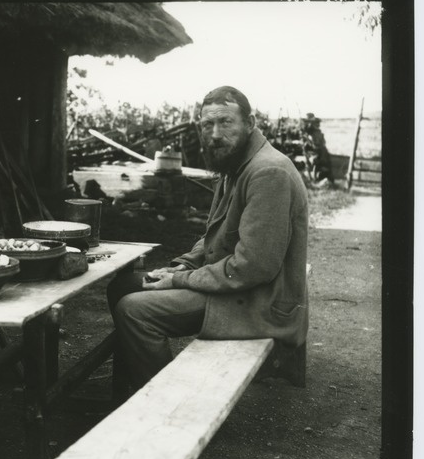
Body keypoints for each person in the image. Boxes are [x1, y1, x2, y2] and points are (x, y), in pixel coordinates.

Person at [107, 86, 309, 391]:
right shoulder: (235, 164)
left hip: (260, 301)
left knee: (134, 311)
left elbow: (254, 267)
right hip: (239, 288)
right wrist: (180, 267)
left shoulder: (268, 172)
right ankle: (127, 394)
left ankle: (165, 408)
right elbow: (214, 236)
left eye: (225, 122)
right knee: (123, 285)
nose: (214, 134)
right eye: (207, 124)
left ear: (250, 123)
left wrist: (179, 281)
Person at [301, 112, 335, 186]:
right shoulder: (307, 132)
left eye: (312, 123)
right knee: (315, 160)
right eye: (309, 122)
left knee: (324, 159)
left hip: (319, 151)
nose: (311, 124)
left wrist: (318, 146)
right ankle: (313, 178)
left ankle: (326, 178)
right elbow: (309, 144)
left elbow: (321, 142)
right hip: (311, 151)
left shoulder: (317, 132)